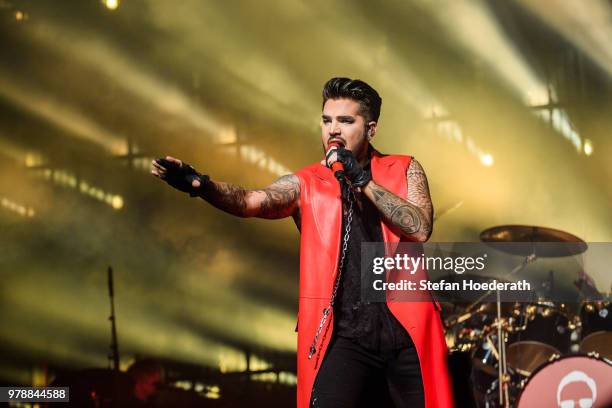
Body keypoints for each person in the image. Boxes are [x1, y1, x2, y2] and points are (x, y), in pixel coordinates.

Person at [151, 77, 453, 408]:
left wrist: (363, 181)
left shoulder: (405, 167)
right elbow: (252, 200)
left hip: (406, 333)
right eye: (327, 121)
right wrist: (203, 186)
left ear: (371, 129)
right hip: (345, 336)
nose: (333, 130)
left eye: (345, 121)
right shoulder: (308, 182)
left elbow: (421, 227)